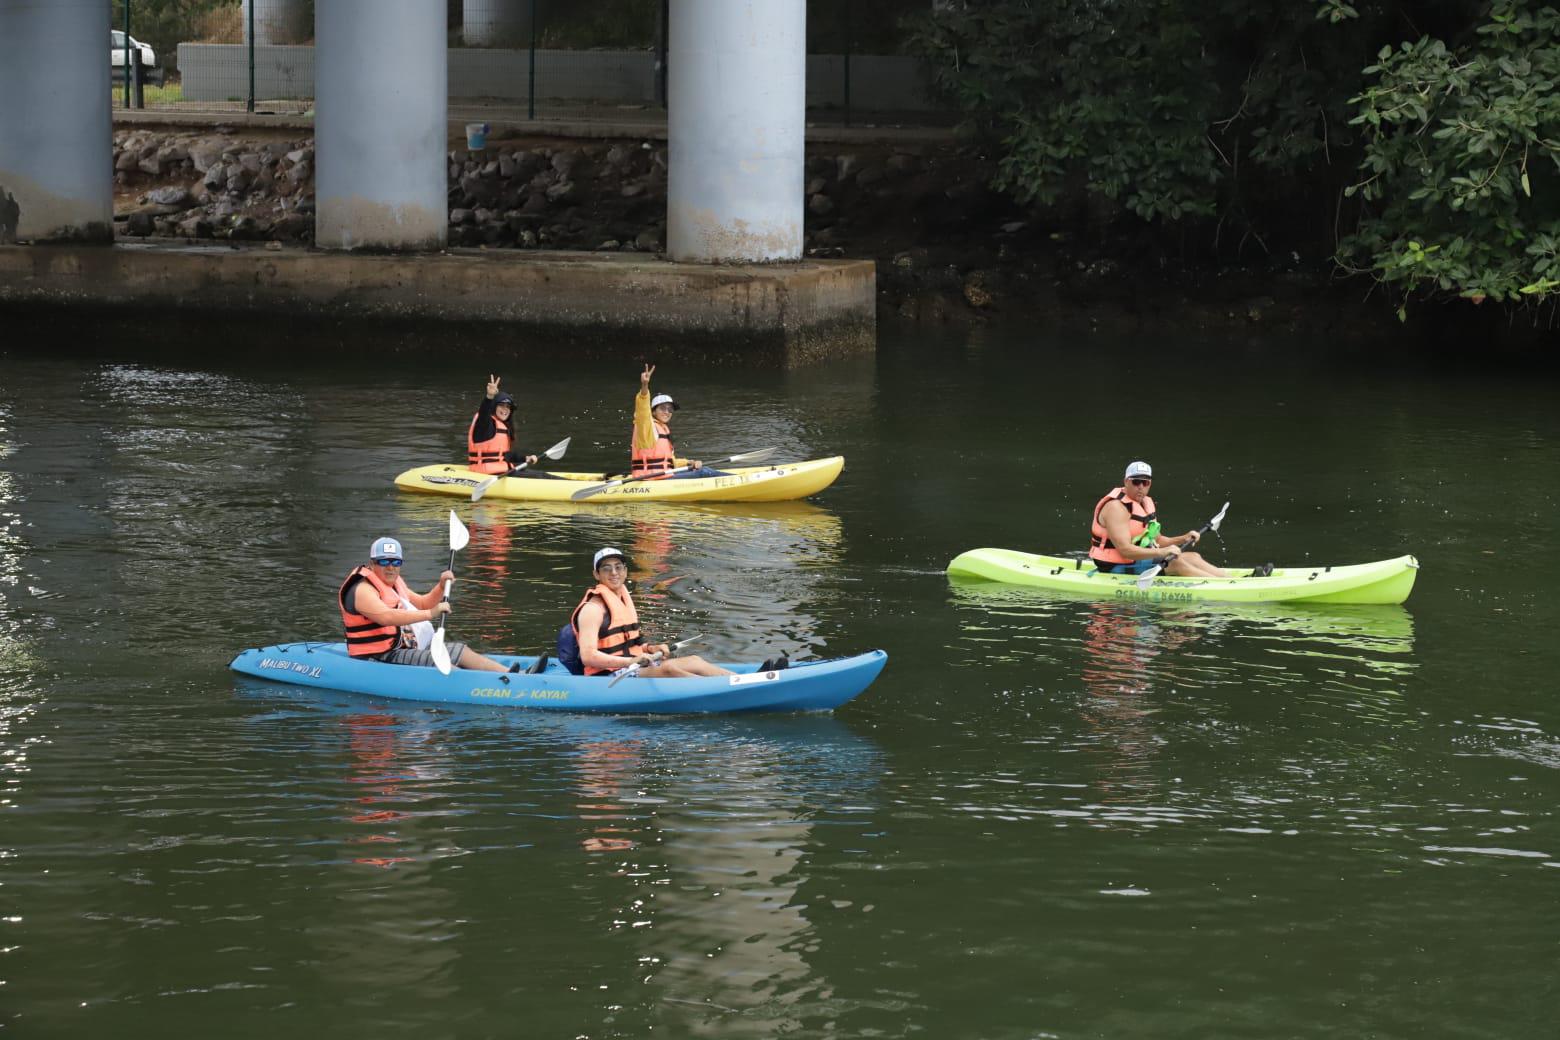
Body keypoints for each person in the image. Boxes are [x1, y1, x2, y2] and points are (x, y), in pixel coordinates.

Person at [338, 536, 516, 672]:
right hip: (377, 656)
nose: (390, 567)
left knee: (460, 650)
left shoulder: (393, 583)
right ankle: (488, 687)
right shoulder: (363, 589)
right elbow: (387, 617)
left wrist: (440, 586)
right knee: (440, 662)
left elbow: (422, 603)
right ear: (372, 563)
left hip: (399, 647)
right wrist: (432, 613)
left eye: (396, 562)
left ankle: (512, 674)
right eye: (384, 562)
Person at [561, 547, 735, 678]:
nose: (614, 573)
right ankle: (727, 692)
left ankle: (742, 680)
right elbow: (588, 657)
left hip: (632, 666)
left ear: (625, 571)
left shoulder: (622, 597)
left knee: (694, 660)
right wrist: (630, 661)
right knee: (669, 669)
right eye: (606, 568)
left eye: (618, 567)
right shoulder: (592, 609)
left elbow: (629, 646)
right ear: (596, 575)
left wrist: (651, 648)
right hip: (607, 676)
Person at [1088, 461, 1230, 578]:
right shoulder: (1116, 508)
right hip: (1113, 566)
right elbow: (1125, 550)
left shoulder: (1146, 503)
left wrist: (1183, 538)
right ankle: (1221, 588)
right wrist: (1162, 552)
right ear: (1126, 482)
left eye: (1145, 483)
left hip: (1135, 560)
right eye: (1136, 482)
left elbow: (1158, 540)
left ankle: (1228, 580)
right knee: (1175, 563)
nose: (1141, 487)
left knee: (1193, 556)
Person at [630, 364, 728, 479]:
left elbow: (669, 462)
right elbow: (642, 410)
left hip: (663, 475)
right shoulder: (646, 427)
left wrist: (688, 463)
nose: (667, 412)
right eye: (662, 408)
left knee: (700, 469)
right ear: (653, 412)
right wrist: (644, 386)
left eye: (670, 409)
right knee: (704, 472)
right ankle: (741, 481)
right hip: (650, 479)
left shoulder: (663, 429)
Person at [468, 374, 560, 478]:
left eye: (508, 407)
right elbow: (484, 412)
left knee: (540, 473)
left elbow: (505, 456)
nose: (505, 409)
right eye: (501, 405)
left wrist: (525, 458)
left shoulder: (502, 426)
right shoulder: (484, 424)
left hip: (501, 471)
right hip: (486, 474)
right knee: (542, 476)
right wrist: (489, 397)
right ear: (494, 407)